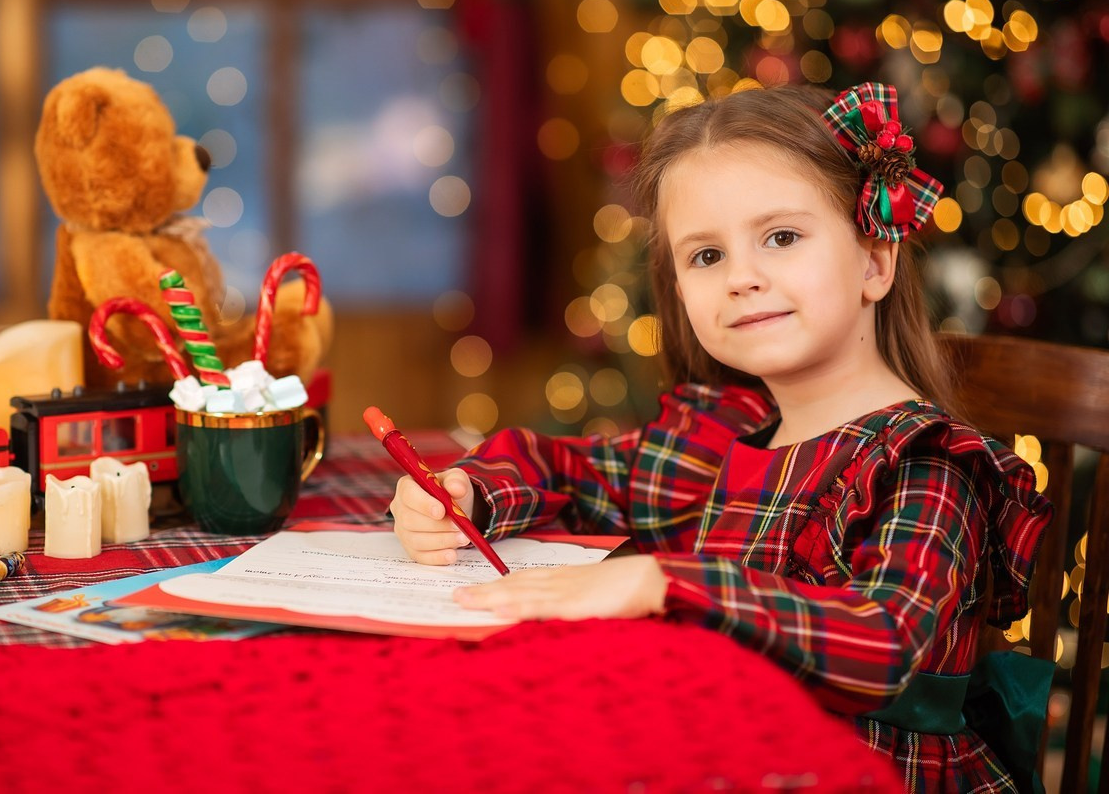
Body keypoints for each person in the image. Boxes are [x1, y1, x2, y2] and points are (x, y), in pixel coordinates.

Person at [387, 82, 1054, 793]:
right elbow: (566, 468)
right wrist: (469, 494)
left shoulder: (922, 462)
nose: (742, 278)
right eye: (706, 256)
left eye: (782, 237)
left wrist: (660, 581)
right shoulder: (720, 435)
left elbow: (883, 637)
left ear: (874, 261)